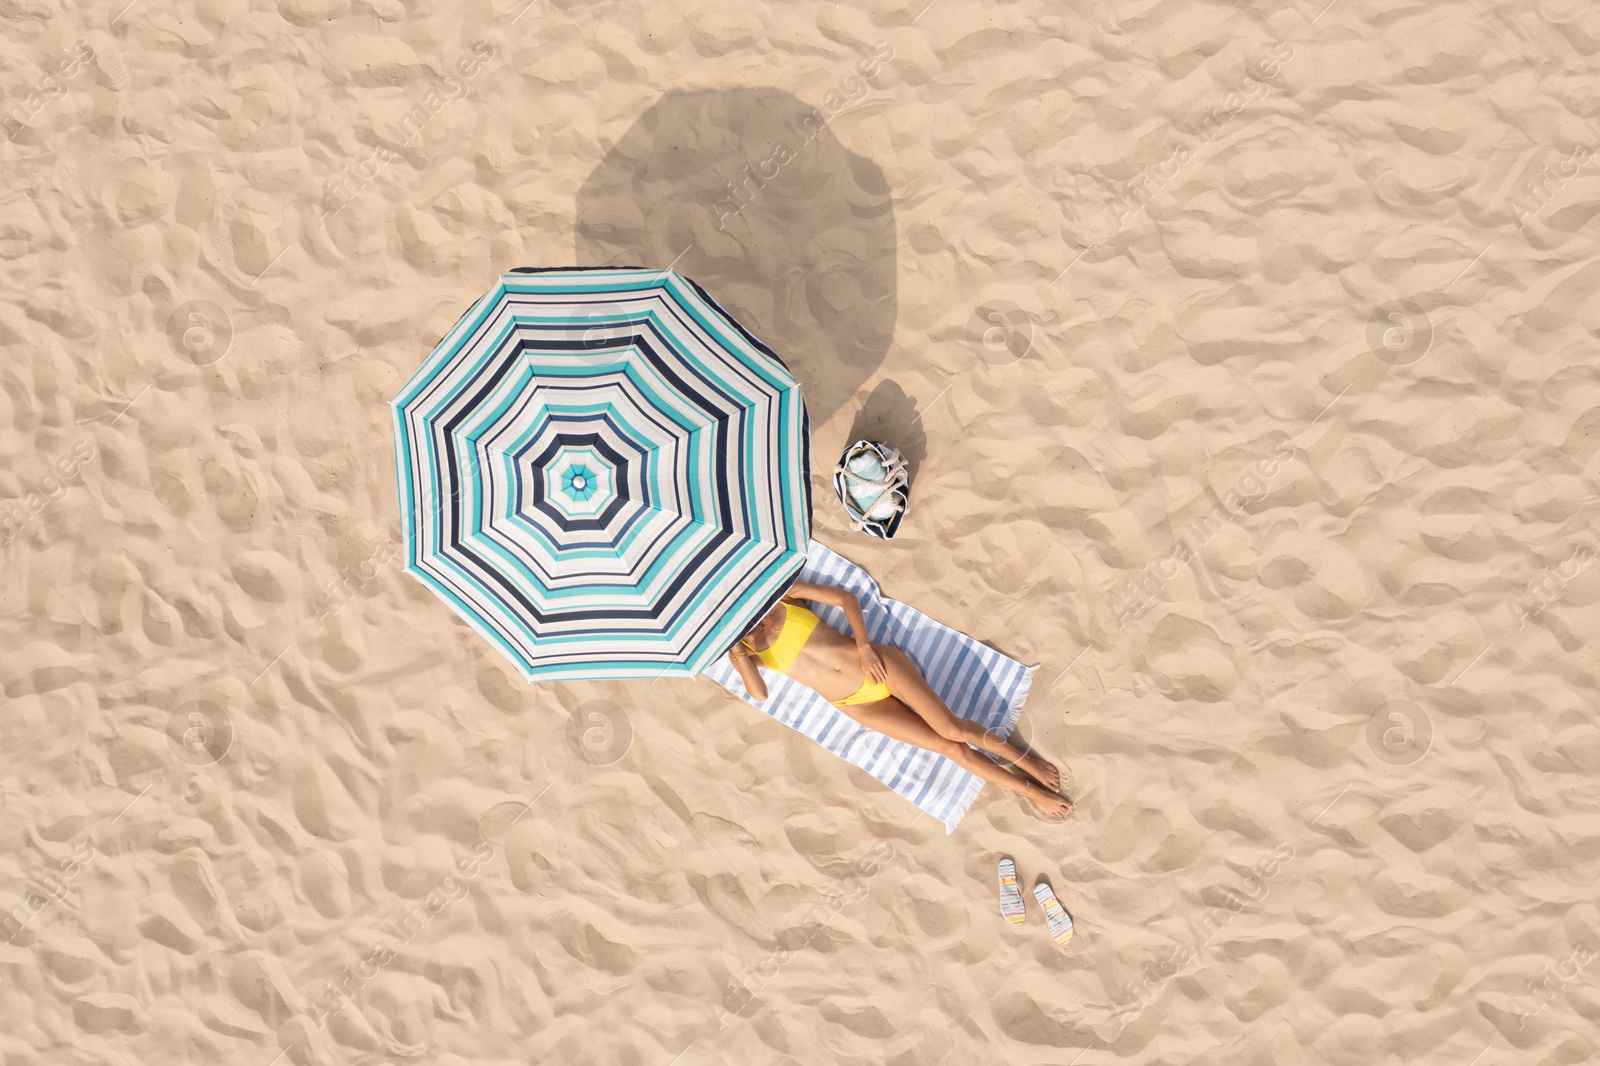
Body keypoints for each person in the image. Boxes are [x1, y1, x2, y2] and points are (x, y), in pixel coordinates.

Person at [728, 580, 1072, 818]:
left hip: (879, 664)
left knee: (951, 729)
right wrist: (735, 652)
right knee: (951, 749)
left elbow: (846, 599)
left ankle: (1020, 757)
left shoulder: (785, 596)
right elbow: (759, 692)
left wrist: (864, 647)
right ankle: (1028, 791)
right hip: (858, 705)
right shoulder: (744, 650)